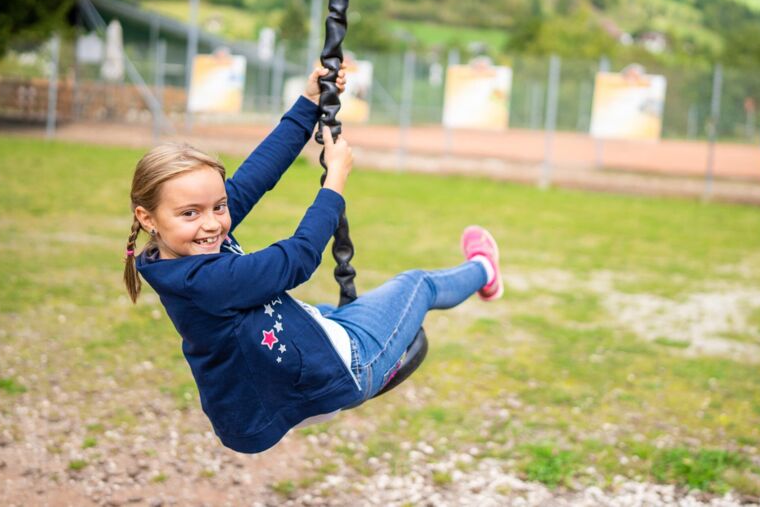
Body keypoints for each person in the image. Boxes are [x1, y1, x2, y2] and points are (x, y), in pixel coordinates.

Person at [122, 66, 504, 454]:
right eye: (191, 213)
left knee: (319, 311)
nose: (212, 223)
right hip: (345, 368)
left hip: (294, 370)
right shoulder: (206, 280)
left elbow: (258, 174)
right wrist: (334, 179)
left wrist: (308, 103)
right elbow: (298, 258)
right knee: (418, 284)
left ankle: (345, 332)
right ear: (147, 217)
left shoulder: (173, 253)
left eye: (219, 206)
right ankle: (486, 270)